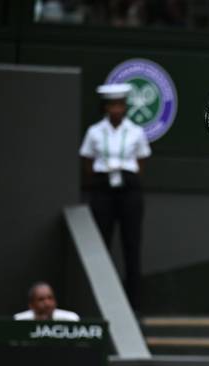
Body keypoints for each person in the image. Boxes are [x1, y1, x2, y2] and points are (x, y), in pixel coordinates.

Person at [79, 83, 151, 309]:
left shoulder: (136, 131)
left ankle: (133, 302)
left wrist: (129, 177)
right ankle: (101, 299)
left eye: (120, 105)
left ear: (125, 107)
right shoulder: (94, 132)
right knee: (101, 243)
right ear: (105, 107)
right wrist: (99, 179)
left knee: (132, 244)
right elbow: (87, 160)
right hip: (103, 188)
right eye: (112, 105)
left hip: (129, 188)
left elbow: (141, 160)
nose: (116, 110)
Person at [13, 282, 80, 321]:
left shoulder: (70, 319)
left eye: (50, 298)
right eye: (41, 299)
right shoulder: (19, 321)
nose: (47, 303)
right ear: (31, 305)